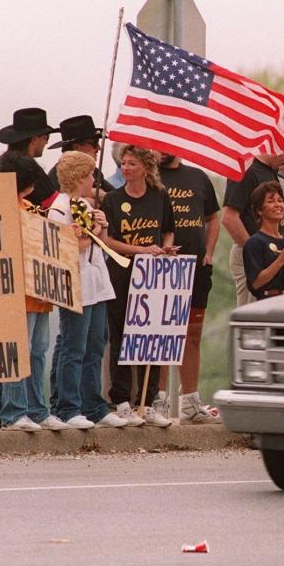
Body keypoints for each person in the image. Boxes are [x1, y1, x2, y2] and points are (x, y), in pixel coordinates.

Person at [46, 151, 128, 429]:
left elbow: (98, 245)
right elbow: (67, 250)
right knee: (74, 346)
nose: (94, 180)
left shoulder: (84, 204)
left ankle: (95, 405)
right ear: (79, 177)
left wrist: (100, 226)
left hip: (97, 282)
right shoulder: (59, 209)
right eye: (91, 175)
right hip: (75, 284)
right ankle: (68, 406)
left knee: (95, 344)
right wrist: (88, 229)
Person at [100, 146, 176, 427]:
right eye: (123, 164)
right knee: (120, 335)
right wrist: (141, 250)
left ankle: (148, 401)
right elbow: (108, 241)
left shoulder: (159, 196)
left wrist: (166, 250)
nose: (126, 168)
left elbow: (168, 229)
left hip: (152, 276)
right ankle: (121, 400)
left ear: (146, 167)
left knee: (150, 336)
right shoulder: (113, 200)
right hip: (121, 273)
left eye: (132, 164)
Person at [0, 151, 60, 431]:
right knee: (17, 352)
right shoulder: (2, 211)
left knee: (37, 352)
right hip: (15, 292)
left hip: (38, 293)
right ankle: (13, 411)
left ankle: (36, 409)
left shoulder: (28, 209)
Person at [154, 152, 221, 424]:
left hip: (196, 267)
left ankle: (191, 403)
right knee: (159, 336)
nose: (161, 150)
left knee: (192, 334)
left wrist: (209, 252)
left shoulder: (198, 177)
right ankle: (156, 400)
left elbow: (213, 217)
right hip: (162, 267)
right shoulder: (150, 178)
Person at [221, 93, 284, 306]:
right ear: (278, 146)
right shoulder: (246, 168)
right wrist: (255, 251)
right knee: (255, 312)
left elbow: (282, 134)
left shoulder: (269, 170)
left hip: (273, 251)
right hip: (251, 251)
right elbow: (229, 218)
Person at [0, 107, 58, 211]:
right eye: (46, 137)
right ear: (34, 139)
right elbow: (54, 206)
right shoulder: (31, 168)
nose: (46, 142)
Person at [242, 181, 284, 300]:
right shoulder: (254, 242)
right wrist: (280, 261)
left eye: (280, 200)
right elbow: (256, 282)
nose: (278, 205)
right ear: (259, 210)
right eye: (271, 201)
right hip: (269, 303)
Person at [46, 115, 114, 203]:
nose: (98, 148)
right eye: (94, 143)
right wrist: (86, 201)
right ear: (77, 147)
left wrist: (102, 195)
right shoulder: (58, 175)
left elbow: (115, 197)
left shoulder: (96, 173)